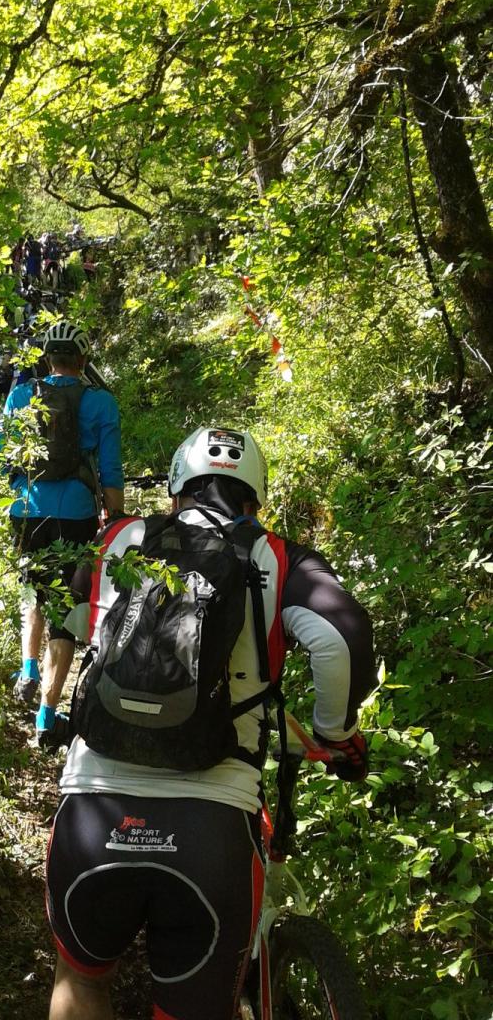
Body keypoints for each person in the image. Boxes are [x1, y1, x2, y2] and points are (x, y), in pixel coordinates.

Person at [45, 426, 375, 1020]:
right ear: (256, 499)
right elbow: (339, 637)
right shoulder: (279, 559)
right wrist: (335, 732)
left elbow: (69, 622)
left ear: (175, 489)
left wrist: (53, 699)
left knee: (82, 981)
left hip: (93, 812)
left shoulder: (121, 537)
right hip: (212, 827)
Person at [1, 321, 124, 735]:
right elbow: (111, 470)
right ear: (83, 360)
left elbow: (3, 456)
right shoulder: (101, 402)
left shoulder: (21, 395)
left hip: (26, 508)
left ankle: (28, 668)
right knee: (65, 608)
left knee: (32, 584)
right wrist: (116, 519)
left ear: (47, 358)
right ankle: (46, 717)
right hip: (76, 513)